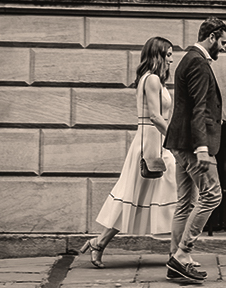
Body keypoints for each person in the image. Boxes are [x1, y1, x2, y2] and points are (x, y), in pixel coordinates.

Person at [79, 36, 177, 269]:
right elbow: (154, 116)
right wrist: (175, 139)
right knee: (140, 194)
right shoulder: (151, 79)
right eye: (169, 54)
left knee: (141, 195)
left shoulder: (152, 79)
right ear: (158, 55)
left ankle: (100, 242)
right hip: (151, 143)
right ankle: (179, 252)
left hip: (155, 141)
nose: (172, 59)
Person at [164, 16, 226, 283]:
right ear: (212, 37)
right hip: (193, 144)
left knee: (185, 203)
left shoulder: (188, 59)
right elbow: (199, 109)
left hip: (180, 142)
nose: (224, 48)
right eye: (223, 42)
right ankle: (182, 254)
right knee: (213, 195)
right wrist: (202, 147)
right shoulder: (198, 63)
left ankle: (174, 261)